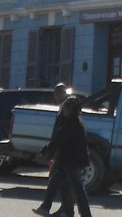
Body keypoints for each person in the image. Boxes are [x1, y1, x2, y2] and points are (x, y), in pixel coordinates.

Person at [45, 95, 92, 217]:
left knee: (70, 187)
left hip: (70, 161)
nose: (63, 109)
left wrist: (45, 152)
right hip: (70, 159)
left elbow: (59, 139)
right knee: (66, 185)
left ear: (70, 109)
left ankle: (57, 209)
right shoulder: (74, 121)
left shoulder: (71, 123)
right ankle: (61, 210)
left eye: (65, 107)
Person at [34, 84, 75, 217]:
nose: (56, 96)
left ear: (64, 93)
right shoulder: (63, 108)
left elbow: (60, 134)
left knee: (57, 180)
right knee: (62, 182)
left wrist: (46, 151)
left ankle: (48, 207)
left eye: (58, 93)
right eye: (55, 93)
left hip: (66, 152)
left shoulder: (67, 109)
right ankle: (66, 211)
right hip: (63, 151)